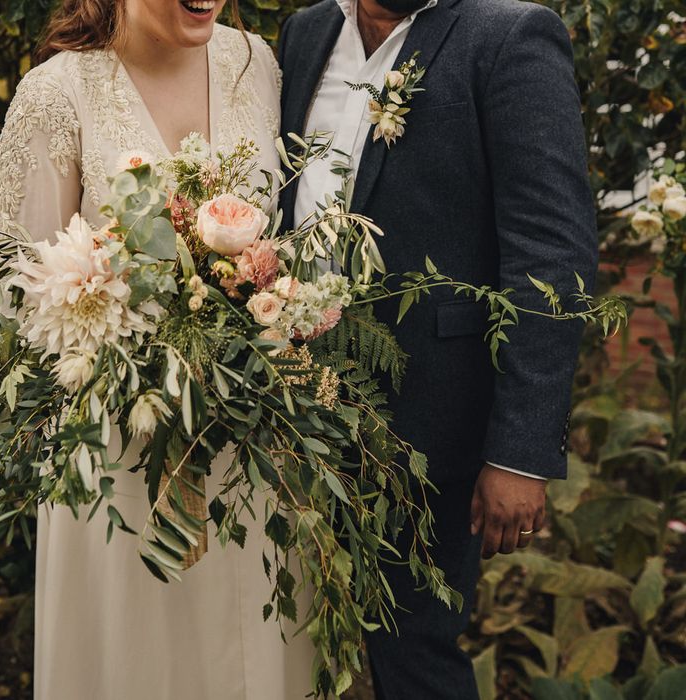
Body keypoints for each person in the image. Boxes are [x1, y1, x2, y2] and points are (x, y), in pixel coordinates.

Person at [0, 1, 314, 698]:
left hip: (253, 450)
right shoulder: (57, 94)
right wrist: (133, 328)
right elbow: (16, 295)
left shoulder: (254, 64)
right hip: (121, 451)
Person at [278, 0, 598, 698]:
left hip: (428, 419)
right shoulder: (306, 32)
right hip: (287, 409)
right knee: (292, 638)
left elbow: (552, 252)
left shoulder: (510, 36)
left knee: (413, 652)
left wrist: (519, 451)